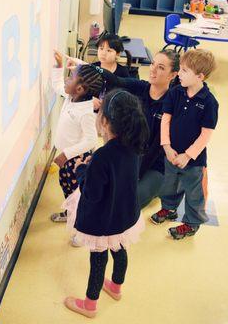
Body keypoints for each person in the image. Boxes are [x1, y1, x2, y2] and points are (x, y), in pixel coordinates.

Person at [63, 89, 149, 318]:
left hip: (103, 220)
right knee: (119, 250)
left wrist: (82, 168)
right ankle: (116, 288)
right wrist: (94, 166)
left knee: (98, 258)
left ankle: (90, 305)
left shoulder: (102, 155)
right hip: (125, 213)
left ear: (105, 121)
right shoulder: (133, 145)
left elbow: (91, 193)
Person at [87, 49, 180, 208]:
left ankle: (160, 188)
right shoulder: (141, 88)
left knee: (128, 202)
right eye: (153, 64)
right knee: (101, 189)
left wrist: (132, 174)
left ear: (173, 75)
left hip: (155, 166)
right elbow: (116, 80)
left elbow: (157, 149)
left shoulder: (173, 104)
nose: (153, 69)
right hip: (131, 155)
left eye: (161, 67)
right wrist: (86, 66)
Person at [150, 49, 218, 240]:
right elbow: (166, 120)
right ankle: (168, 208)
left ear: (199, 76)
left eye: (184, 70)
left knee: (193, 192)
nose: (179, 73)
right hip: (171, 153)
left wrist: (188, 155)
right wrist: (166, 146)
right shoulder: (175, 92)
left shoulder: (209, 102)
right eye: (180, 69)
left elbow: (206, 134)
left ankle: (191, 223)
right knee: (169, 184)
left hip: (193, 161)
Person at [50, 51, 103, 223]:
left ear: (80, 89)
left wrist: (66, 154)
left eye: (70, 77)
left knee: (77, 193)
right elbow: (57, 85)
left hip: (76, 160)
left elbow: (91, 140)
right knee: (66, 187)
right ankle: (70, 214)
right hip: (67, 158)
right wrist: (58, 67)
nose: (67, 79)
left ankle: (79, 226)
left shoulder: (86, 112)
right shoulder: (71, 97)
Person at [91, 34, 131, 111]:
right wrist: (90, 99)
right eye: (101, 48)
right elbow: (83, 91)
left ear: (117, 54)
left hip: (113, 112)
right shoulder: (92, 68)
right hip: (92, 111)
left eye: (109, 50)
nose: (103, 53)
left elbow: (125, 96)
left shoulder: (123, 72)